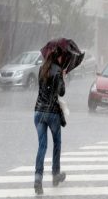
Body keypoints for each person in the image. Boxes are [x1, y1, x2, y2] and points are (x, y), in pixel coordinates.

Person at [33, 46, 66, 195]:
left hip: (39, 112)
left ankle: (38, 179)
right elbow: (61, 92)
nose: (62, 60)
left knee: (42, 146)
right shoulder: (58, 71)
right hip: (52, 113)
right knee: (57, 143)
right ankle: (55, 174)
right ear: (57, 57)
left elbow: (42, 89)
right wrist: (62, 77)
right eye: (61, 58)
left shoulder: (42, 69)